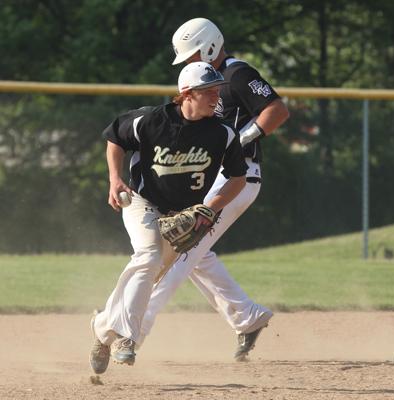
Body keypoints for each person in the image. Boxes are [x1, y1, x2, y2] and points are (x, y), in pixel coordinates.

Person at [138, 18, 289, 360]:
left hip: (237, 177)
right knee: (196, 251)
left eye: (192, 56)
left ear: (209, 46)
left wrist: (240, 140)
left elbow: (277, 111)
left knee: (181, 250)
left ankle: (133, 329)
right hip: (219, 175)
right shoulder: (206, 81)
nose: (190, 63)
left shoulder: (237, 74)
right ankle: (246, 317)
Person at [89, 62, 248, 374]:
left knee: (148, 274)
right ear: (187, 94)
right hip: (142, 201)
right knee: (147, 257)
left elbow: (238, 178)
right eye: (209, 91)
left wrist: (210, 208)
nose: (216, 96)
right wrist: (113, 179)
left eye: (217, 90)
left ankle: (102, 328)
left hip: (183, 216)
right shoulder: (150, 120)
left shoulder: (222, 134)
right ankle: (127, 340)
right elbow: (114, 139)